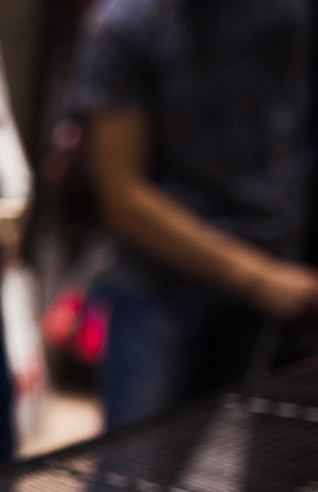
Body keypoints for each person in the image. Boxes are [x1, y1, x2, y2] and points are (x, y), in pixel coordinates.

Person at [74, 0, 318, 430]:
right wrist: (260, 278)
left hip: (273, 278)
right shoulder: (125, 23)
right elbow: (123, 196)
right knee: (135, 461)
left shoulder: (290, 12)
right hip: (161, 283)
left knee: (242, 459)